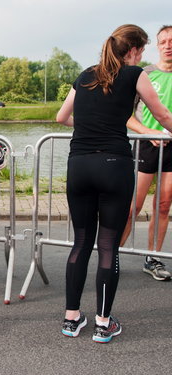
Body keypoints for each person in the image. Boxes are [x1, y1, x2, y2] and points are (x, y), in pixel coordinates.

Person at [56, 24, 172, 343]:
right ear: (133, 51)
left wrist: (93, 122)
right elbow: (161, 116)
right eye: (143, 50)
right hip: (113, 166)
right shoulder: (135, 75)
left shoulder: (85, 74)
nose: (142, 56)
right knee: (107, 245)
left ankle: (71, 319)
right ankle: (103, 324)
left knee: (81, 242)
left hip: (78, 166)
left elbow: (61, 118)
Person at [120, 25, 172, 281]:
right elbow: (125, 115)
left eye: (171, 41)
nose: (167, 45)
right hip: (146, 145)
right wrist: (146, 132)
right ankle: (113, 255)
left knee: (163, 205)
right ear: (157, 46)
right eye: (163, 41)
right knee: (133, 206)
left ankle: (153, 258)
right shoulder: (144, 74)